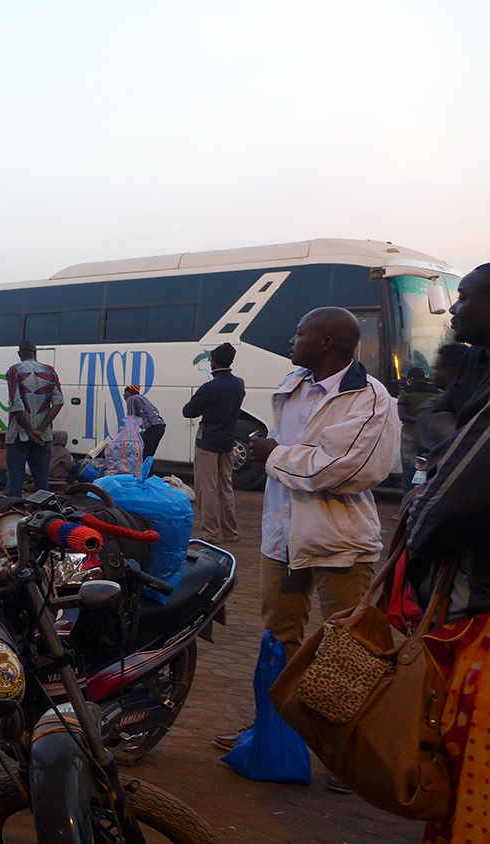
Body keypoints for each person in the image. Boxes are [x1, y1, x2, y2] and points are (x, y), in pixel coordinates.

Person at [213, 309, 399, 796]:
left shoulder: (370, 398)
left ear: (329, 342)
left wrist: (272, 455)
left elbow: (341, 469)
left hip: (340, 542)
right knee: (279, 637)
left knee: (348, 650)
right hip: (282, 537)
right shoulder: (294, 382)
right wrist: (279, 454)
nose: (291, 339)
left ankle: (344, 756)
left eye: (300, 332)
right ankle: (275, 734)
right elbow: (307, 458)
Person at [398, 263, 490, 842]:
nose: (452, 310)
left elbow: (452, 506)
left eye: (466, 298)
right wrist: (457, 437)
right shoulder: (479, 361)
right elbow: (436, 410)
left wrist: (414, 539)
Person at [182, 342, 245, 544]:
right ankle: (230, 532)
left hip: (207, 441)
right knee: (226, 488)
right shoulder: (239, 384)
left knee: (207, 488)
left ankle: (211, 533)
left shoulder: (209, 387)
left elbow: (188, 411)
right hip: (228, 441)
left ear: (213, 362)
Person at [4, 341, 64, 496]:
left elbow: (16, 403)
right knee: (42, 487)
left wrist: (30, 431)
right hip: (44, 437)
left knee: (15, 483)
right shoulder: (50, 371)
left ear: (19, 354)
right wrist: (40, 430)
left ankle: (14, 515)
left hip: (17, 435)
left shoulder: (14, 370)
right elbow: (58, 401)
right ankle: (42, 516)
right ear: (35, 352)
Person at [421, 343, 471, 452]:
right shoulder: (478, 398)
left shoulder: (433, 408)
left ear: (448, 371)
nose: (434, 374)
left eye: (436, 369)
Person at [396, 367, 436, 492]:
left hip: (410, 434)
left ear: (411, 379)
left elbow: (402, 416)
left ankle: (407, 498)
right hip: (430, 435)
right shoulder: (436, 392)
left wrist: (417, 420)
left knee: (409, 467)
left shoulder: (405, 392)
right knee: (432, 466)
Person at [123, 384, 167, 461]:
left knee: (144, 454)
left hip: (152, 428)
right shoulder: (142, 398)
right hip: (160, 426)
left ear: (131, 393)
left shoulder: (132, 399)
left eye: (125, 392)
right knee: (149, 454)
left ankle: (145, 472)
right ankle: (149, 471)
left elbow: (131, 418)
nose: (124, 395)